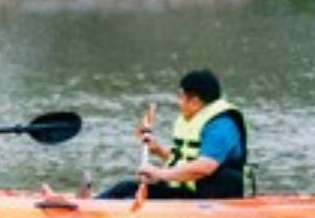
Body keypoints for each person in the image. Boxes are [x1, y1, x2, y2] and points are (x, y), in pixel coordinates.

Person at [99, 69, 248, 200]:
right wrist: (160, 151)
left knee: (126, 190)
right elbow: (187, 160)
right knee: (125, 189)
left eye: (181, 97)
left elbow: (204, 167)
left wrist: (159, 173)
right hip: (191, 193)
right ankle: (91, 202)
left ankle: (90, 207)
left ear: (194, 102)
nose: (179, 102)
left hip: (217, 198)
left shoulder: (221, 126)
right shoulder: (195, 117)